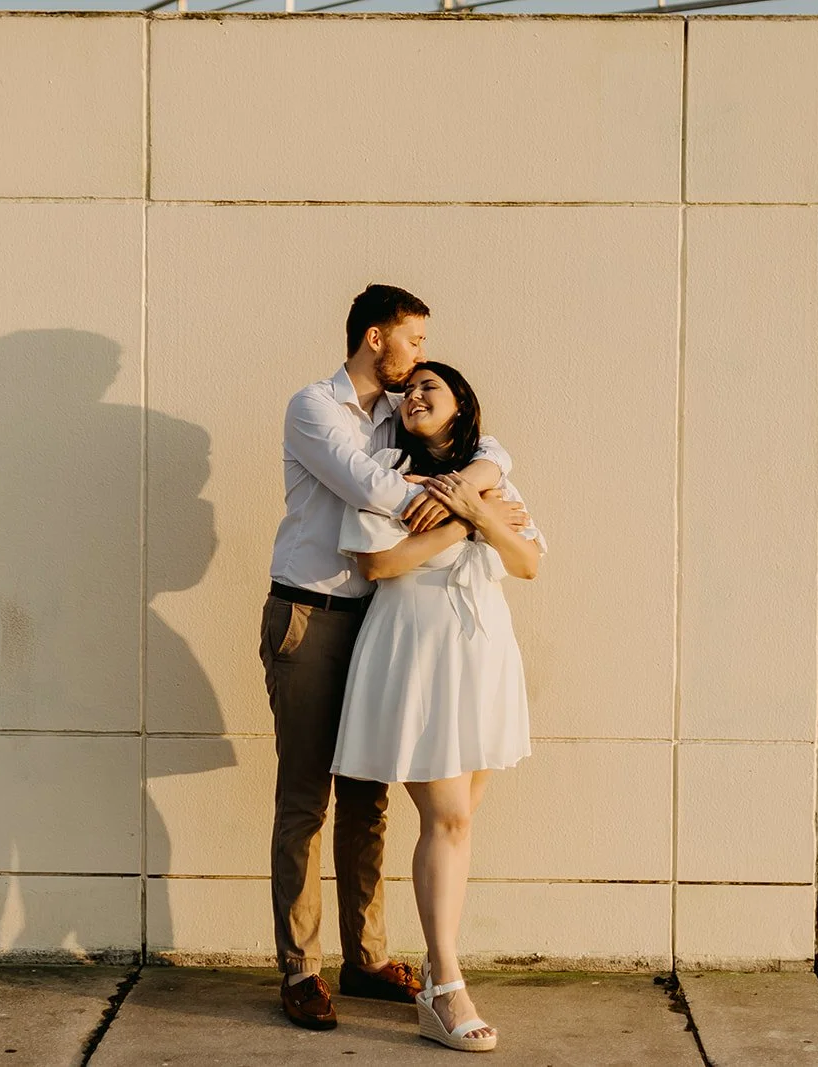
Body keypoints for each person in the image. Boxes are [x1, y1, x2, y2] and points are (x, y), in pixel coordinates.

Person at [261, 285, 527, 1031]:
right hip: (311, 614)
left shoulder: (395, 412)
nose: (419, 356)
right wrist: (471, 506)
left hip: (381, 623)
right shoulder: (315, 407)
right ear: (376, 337)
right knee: (307, 795)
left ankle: (366, 958)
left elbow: (492, 450)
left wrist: (472, 479)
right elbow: (374, 488)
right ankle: (301, 968)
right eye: (413, 339)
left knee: (370, 795)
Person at [333, 361, 544, 1053]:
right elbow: (379, 564)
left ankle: (434, 965)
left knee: (457, 822)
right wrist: (466, 522)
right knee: (448, 818)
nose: (415, 393)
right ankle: (446, 984)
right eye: (409, 387)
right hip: (414, 654)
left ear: (462, 405)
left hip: (479, 655)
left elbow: (530, 561)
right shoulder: (381, 469)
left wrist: (477, 507)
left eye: (432, 386)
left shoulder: (491, 472)